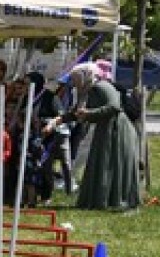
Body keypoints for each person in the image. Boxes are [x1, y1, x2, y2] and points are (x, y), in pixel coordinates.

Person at [44, 62, 140, 211]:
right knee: (101, 162)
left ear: (85, 76)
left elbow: (114, 106)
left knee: (112, 163)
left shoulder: (101, 86)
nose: (74, 83)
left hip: (117, 128)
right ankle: (100, 199)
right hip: (105, 128)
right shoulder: (87, 92)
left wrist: (90, 114)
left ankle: (115, 199)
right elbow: (76, 113)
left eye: (76, 79)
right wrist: (57, 121)